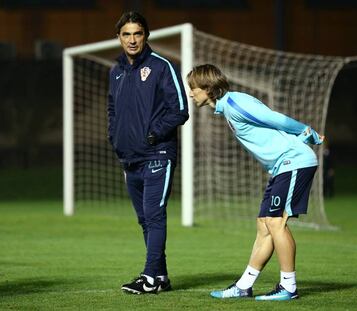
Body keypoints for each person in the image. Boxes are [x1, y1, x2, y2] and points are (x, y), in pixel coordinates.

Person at [186, 64, 324, 301]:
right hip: (282, 166)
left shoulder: (236, 103)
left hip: (294, 161)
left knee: (275, 222)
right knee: (264, 224)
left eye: (193, 88)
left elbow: (275, 118)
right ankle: (244, 286)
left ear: (208, 88)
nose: (190, 93)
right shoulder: (227, 108)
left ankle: (288, 287)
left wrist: (306, 131)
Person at [107, 11, 189, 294]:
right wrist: (115, 138)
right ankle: (161, 276)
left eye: (137, 33)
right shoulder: (115, 71)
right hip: (130, 158)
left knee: (154, 216)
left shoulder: (162, 67)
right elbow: (113, 109)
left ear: (146, 36)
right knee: (144, 219)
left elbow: (180, 110)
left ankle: (150, 278)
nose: (132, 40)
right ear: (118, 37)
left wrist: (152, 134)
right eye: (126, 34)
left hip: (158, 155)